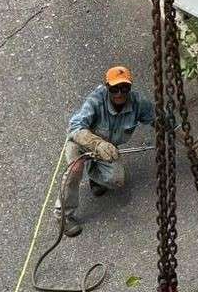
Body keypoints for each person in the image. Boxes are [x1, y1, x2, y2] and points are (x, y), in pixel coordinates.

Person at [55, 65, 154, 237]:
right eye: (114, 89)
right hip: (82, 141)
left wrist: (192, 143)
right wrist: (97, 144)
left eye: (124, 88)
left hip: (106, 149)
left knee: (117, 180)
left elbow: (164, 121)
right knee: (75, 171)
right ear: (107, 87)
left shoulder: (139, 103)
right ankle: (63, 216)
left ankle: (95, 177)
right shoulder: (96, 100)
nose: (119, 93)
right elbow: (75, 128)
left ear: (130, 88)